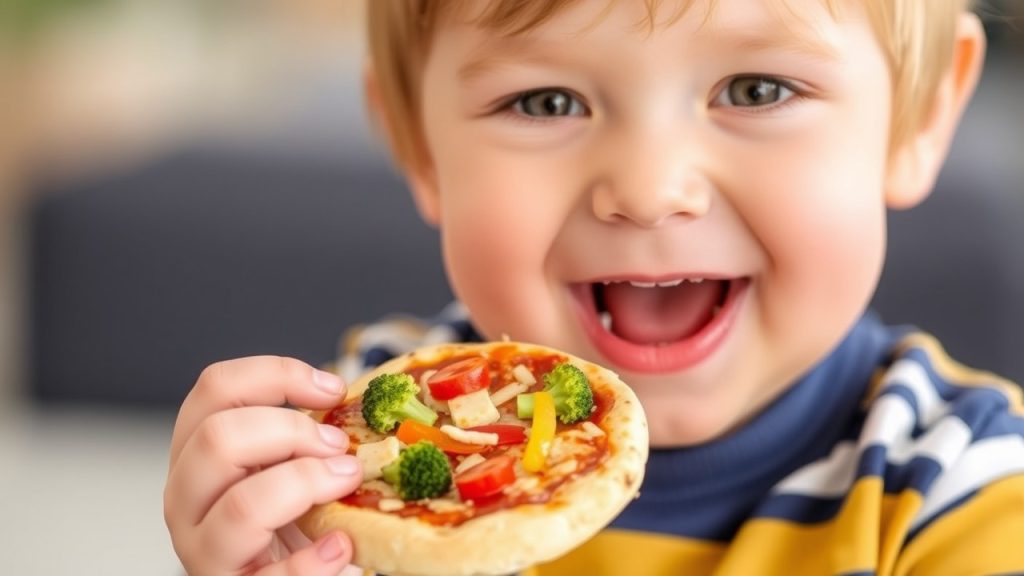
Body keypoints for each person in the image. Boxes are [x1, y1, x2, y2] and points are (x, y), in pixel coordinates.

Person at [164, 0, 1024, 574]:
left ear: (921, 117)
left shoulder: (970, 487)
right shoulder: (368, 450)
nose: (649, 189)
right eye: (544, 101)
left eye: (757, 90)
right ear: (418, 145)